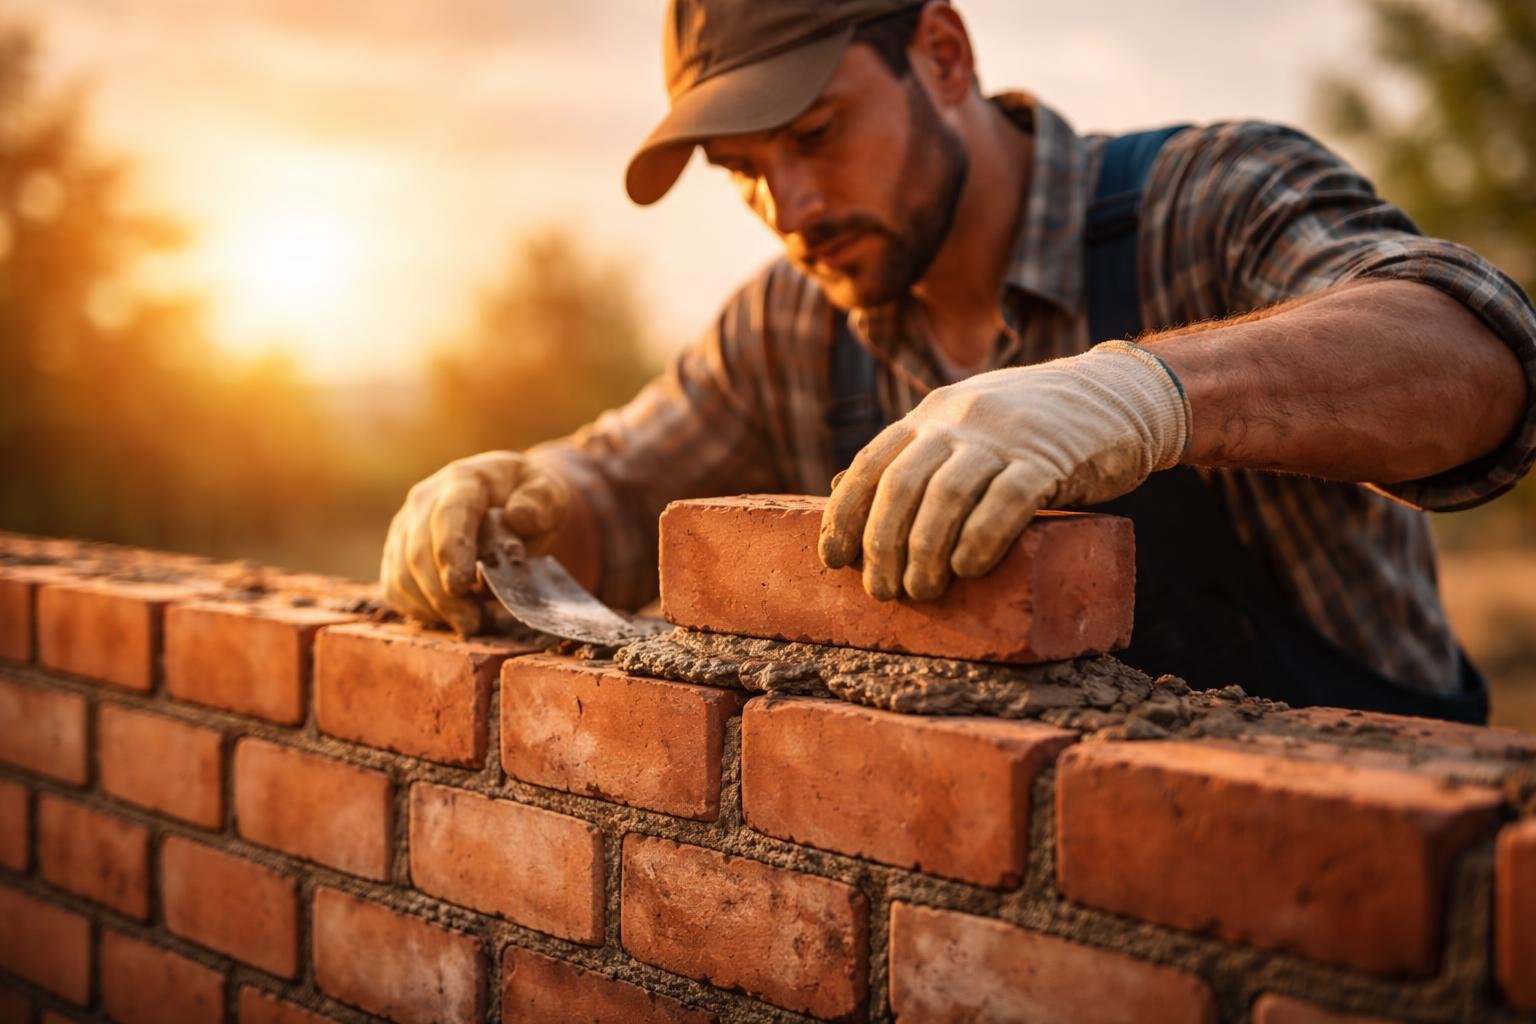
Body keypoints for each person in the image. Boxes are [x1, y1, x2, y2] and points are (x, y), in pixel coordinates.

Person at [380, 0, 1536, 723]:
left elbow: (1479, 353)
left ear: (942, 53)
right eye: (745, 171)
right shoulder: (790, 325)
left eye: (816, 133)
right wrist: (520, 500)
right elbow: (619, 494)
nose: (791, 207)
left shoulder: (1208, 201)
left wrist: (1143, 392)